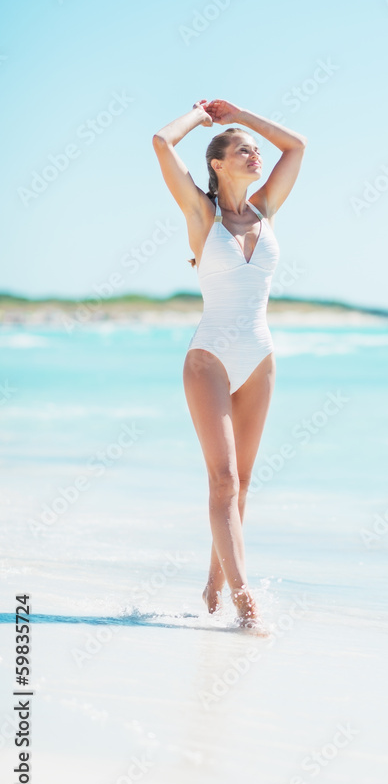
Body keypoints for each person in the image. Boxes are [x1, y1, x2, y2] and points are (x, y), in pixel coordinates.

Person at [152, 98, 307, 628]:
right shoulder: (202, 213)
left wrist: (242, 113)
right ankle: (245, 601)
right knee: (222, 480)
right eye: (245, 149)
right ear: (217, 164)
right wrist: (202, 115)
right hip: (210, 356)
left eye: (256, 150)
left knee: (243, 482)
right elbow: (161, 143)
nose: (256, 154)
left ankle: (216, 580)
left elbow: (297, 145)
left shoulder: (265, 209)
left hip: (260, 356)